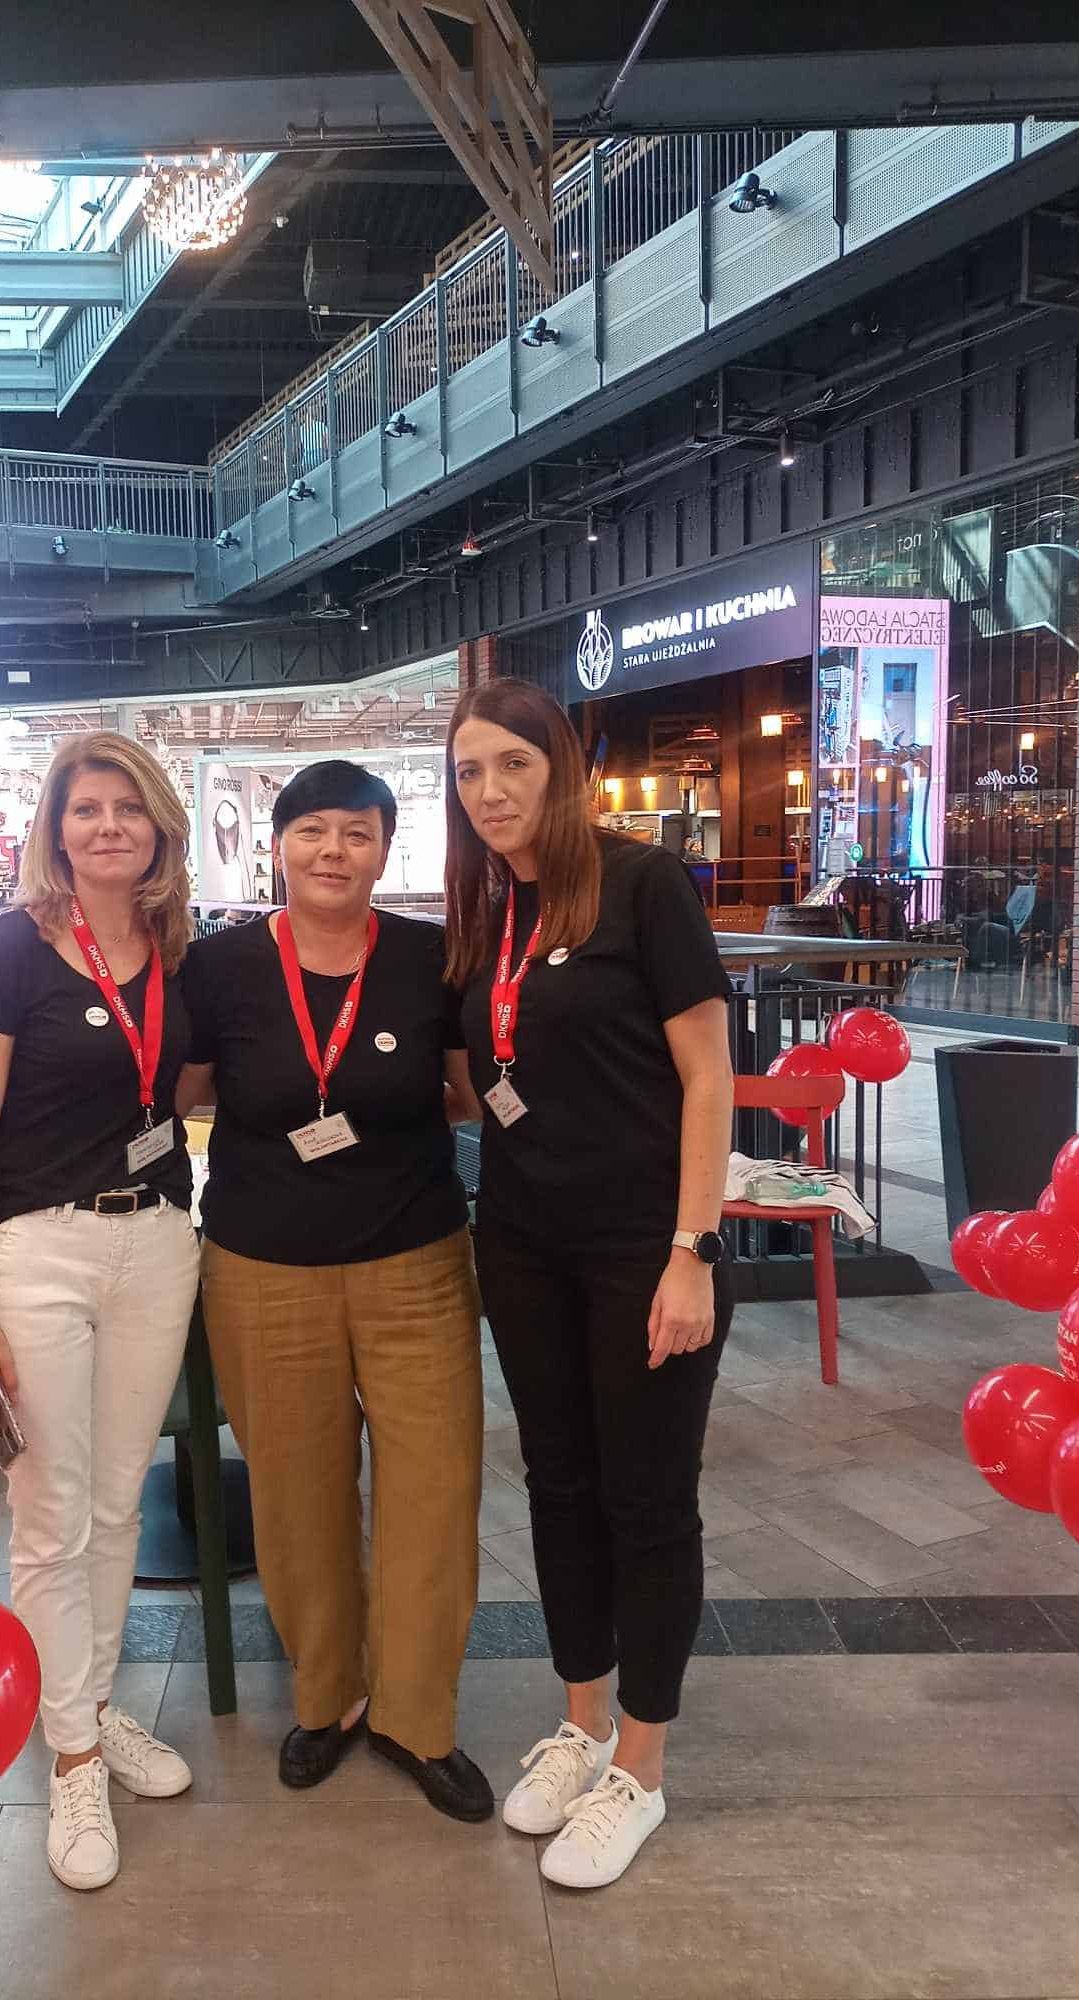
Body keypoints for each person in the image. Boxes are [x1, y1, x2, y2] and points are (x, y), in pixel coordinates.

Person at [444, 679, 735, 1890]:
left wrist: (692, 1248)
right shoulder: (489, 911)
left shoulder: (644, 883)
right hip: (522, 1245)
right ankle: (581, 1720)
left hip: (642, 1249)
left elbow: (709, 1076)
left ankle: (641, 1769)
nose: (491, 790)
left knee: (646, 1499)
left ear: (560, 768)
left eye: (513, 762)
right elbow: (482, 1077)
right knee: (559, 1484)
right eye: (470, 771)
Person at [178, 759, 492, 1821]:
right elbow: (183, 1095)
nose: (333, 851)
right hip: (262, 1268)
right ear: (277, 846)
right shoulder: (219, 967)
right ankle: (330, 1696)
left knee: (434, 1489)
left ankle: (416, 1715)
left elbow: (464, 1093)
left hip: (416, 1261)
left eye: (358, 833)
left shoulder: (429, 957)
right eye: (312, 830)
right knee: (296, 1493)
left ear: (385, 850)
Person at [0, 731, 201, 1894]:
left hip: (156, 1243)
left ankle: (90, 1703)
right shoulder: (7, 950)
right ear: (55, 827)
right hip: (37, 1249)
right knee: (48, 1511)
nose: (108, 826)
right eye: (86, 808)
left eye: (127, 808)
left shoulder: (176, 948)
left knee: (115, 1501)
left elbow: (178, 1094)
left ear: (158, 828)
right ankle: (75, 1754)